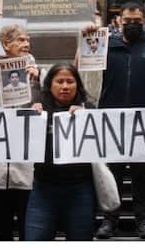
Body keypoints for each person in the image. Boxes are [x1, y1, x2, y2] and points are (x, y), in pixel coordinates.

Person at [87, 3, 145, 239]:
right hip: (112, 120)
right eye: (128, 20)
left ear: (144, 21)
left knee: (142, 175)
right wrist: (85, 39)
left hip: (144, 121)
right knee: (114, 174)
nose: (132, 25)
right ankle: (110, 221)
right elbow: (82, 64)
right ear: (119, 21)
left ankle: (144, 221)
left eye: (137, 21)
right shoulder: (107, 45)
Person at [0, 24, 41, 241]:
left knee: (27, 226)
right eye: (20, 40)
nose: (26, 44)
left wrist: (37, 83)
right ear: (6, 45)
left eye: (27, 40)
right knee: (2, 228)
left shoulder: (39, 72)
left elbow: (44, 108)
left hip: (26, 163)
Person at [24, 64, 97, 241]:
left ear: (77, 86)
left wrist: (87, 117)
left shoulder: (89, 109)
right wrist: (30, 116)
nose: (65, 86)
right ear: (50, 85)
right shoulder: (38, 110)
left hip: (80, 190)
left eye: (70, 81)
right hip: (43, 189)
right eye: (60, 81)